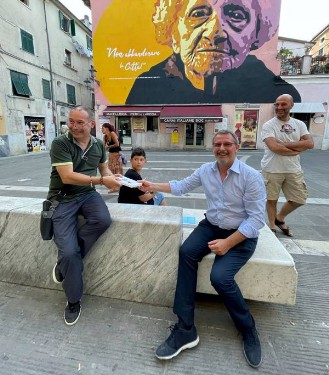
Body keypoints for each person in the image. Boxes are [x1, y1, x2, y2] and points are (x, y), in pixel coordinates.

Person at [139, 130, 266, 368]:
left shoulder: (251, 177)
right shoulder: (206, 170)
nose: (222, 148)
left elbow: (256, 220)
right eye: (217, 144)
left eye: (227, 144)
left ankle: (248, 329)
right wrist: (152, 185)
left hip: (241, 234)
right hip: (211, 226)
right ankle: (185, 328)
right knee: (186, 252)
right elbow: (181, 186)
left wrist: (228, 243)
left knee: (220, 277)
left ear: (236, 147)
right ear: (212, 148)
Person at [126, 0, 301, 104]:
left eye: (235, 14)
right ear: (173, 31)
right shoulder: (145, 89)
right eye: (199, 14)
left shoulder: (273, 92)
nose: (214, 33)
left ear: (256, 33)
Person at [48, 106, 121, 326]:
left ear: (91, 124)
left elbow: (103, 168)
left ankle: (65, 266)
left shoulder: (98, 144)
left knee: (103, 220)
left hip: (87, 194)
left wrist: (111, 179)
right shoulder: (60, 143)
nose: (74, 127)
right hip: (62, 197)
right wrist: (101, 181)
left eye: (80, 122)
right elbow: (67, 177)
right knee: (68, 252)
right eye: (71, 121)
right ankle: (73, 301)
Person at [261, 94, 314, 236]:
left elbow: (310, 143)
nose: (279, 107)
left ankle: (280, 218)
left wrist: (283, 144)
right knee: (271, 199)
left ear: (291, 105)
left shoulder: (300, 124)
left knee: (299, 199)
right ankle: (271, 225)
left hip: (293, 169)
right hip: (272, 169)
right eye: (277, 104)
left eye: (283, 104)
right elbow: (274, 148)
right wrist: (296, 149)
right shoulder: (269, 125)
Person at [102, 123, 123, 191]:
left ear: (107, 128)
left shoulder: (112, 133)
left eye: (103, 128)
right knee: (111, 171)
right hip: (111, 155)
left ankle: (116, 187)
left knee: (116, 171)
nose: (102, 129)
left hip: (116, 155)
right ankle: (114, 187)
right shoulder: (105, 137)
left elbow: (117, 144)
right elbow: (104, 146)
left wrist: (109, 146)